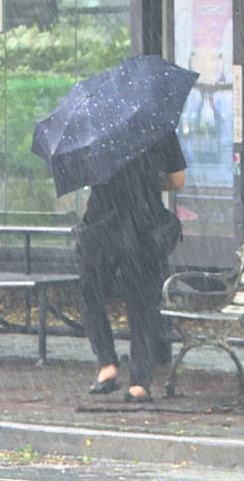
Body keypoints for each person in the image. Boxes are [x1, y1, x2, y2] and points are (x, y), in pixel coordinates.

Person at [75, 131, 186, 403]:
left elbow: (86, 175)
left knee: (90, 292)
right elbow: (177, 181)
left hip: (101, 223)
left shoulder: (95, 128)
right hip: (143, 223)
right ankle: (140, 382)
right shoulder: (156, 127)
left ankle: (107, 364)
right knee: (143, 302)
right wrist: (145, 180)